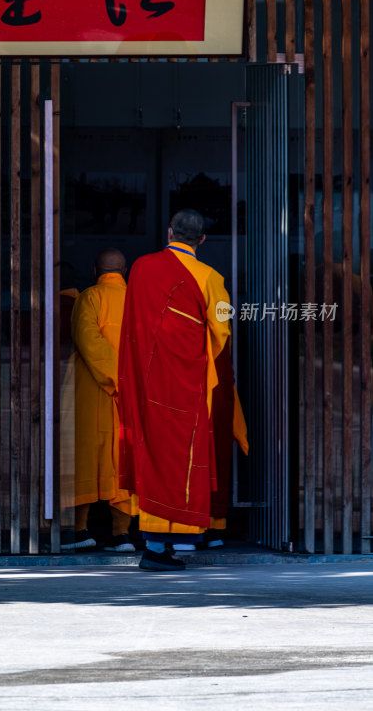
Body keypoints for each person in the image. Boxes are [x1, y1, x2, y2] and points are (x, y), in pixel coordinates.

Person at [118, 209, 248, 571]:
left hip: (148, 379)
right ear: (202, 240)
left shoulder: (141, 268)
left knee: (155, 453)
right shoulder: (211, 277)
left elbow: (135, 323)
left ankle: (158, 545)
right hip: (188, 383)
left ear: (170, 231)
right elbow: (222, 333)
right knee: (183, 459)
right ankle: (160, 549)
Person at [61, 248, 136, 552]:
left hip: (93, 388)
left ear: (94, 271)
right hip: (129, 391)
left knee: (84, 458)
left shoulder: (89, 298)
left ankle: (79, 532)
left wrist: (111, 378)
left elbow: (88, 339)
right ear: (125, 270)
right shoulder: (139, 300)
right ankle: (122, 535)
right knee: (123, 460)